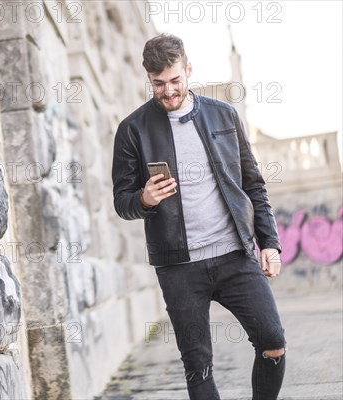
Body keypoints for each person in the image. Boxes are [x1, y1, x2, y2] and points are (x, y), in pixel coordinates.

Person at [112, 33, 286, 400]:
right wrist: (143, 199)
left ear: (188, 70)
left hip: (234, 255)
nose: (168, 91)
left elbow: (253, 184)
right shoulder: (133, 130)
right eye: (158, 84)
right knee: (199, 367)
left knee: (273, 342)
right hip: (179, 267)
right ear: (148, 79)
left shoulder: (224, 116)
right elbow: (122, 201)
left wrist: (269, 243)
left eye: (175, 80)